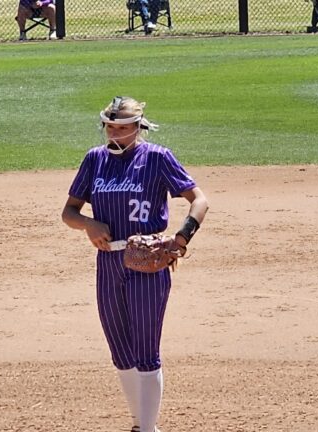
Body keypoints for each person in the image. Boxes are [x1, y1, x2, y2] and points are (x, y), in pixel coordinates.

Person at [61, 96, 209, 432]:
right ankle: (141, 423)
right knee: (119, 349)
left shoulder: (157, 158)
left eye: (123, 127)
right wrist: (88, 224)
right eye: (110, 126)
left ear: (138, 128)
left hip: (148, 265)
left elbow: (199, 199)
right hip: (108, 262)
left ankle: (147, 428)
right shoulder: (94, 160)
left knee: (145, 349)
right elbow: (68, 212)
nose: (114, 132)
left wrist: (181, 238)